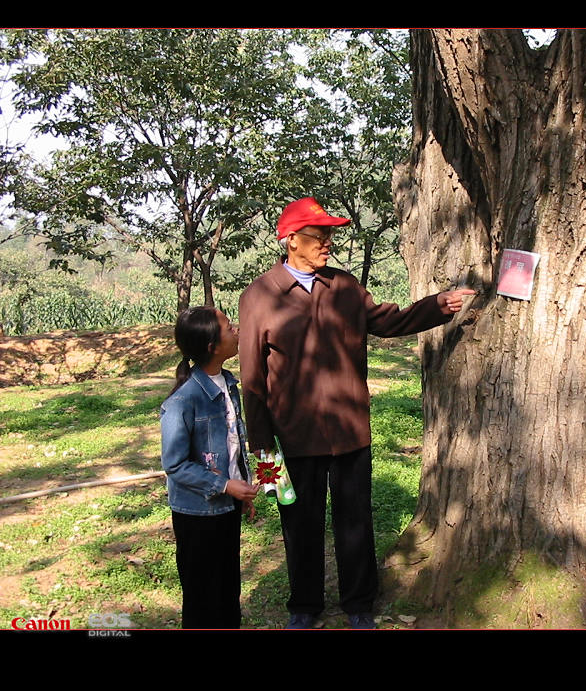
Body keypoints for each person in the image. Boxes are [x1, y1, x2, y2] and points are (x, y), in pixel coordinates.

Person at [238, 197, 474, 629]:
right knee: (299, 523)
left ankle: (359, 603)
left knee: (355, 518)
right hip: (293, 437)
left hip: (350, 432)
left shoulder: (344, 288)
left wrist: (440, 305)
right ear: (290, 240)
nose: (327, 243)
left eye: (330, 235)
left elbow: (388, 321)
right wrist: (263, 453)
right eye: (318, 236)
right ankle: (304, 605)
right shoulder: (259, 296)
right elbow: (252, 379)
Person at [160, 306, 259, 629]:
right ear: (211, 346)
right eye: (229, 328)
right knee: (203, 595)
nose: (236, 332)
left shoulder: (228, 385)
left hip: (226, 507)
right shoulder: (182, 402)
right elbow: (175, 465)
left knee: (227, 586)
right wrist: (226, 486)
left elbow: (231, 444)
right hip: (197, 514)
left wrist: (240, 488)